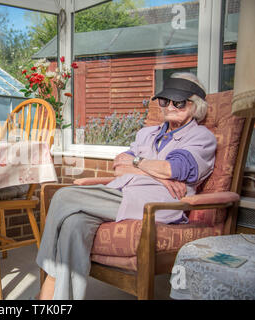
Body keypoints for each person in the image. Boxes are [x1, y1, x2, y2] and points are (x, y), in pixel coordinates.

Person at [35, 72, 217, 300]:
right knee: (73, 223)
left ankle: (48, 283)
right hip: (123, 192)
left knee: (63, 196)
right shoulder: (147, 133)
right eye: (165, 100)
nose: (169, 106)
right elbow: (120, 166)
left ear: (196, 105)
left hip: (157, 203)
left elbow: (173, 169)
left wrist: (141, 164)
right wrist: (156, 173)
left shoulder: (201, 137)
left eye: (178, 102)